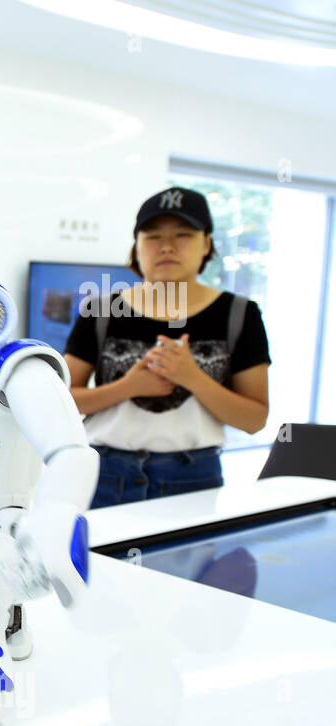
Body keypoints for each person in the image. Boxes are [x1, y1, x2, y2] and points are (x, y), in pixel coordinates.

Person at [63, 187, 271, 508]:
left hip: (193, 476)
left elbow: (254, 419)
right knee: (95, 559)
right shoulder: (100, 309)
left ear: (207, 244)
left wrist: (193, 378)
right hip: (104, 472)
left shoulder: (239, 314)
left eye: (184, 235)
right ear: (137, 247)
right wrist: (128, 387)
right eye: (153, 236)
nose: (168, 247)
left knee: (187, 559)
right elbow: (64, 401)